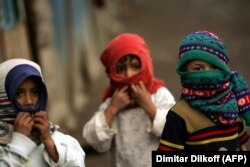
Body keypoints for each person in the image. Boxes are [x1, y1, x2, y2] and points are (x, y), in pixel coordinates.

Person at [83, 33, 176, 167]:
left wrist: (149, 106)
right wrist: (112, 109)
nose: (129, 74)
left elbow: (176, 131)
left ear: (146, 64)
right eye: (121, 69)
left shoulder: (159, 95)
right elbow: (96, 142)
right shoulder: (114, 101)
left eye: (135, 66)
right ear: (111, 72)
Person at [158, 30, 250, 151]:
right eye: (199, 68)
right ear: (185, 71)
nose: (208, 74)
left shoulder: (233, 107)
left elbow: (242, 146)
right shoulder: (179, 116)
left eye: (214, 67)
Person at [0, 58, 85, 166]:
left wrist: (49, 143)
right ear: (3, 96)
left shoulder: (57, 140)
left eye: (34, 92)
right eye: (18, 93)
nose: (29, 101)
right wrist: (19, 143)